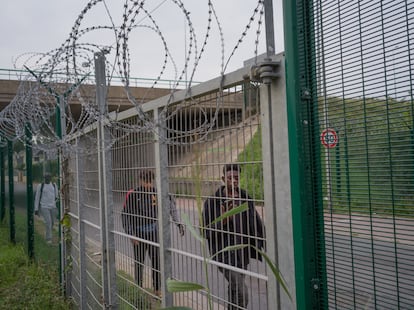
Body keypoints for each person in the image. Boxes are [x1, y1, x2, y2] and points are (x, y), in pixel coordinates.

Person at [202, 163, 265, 310]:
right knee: (242, 293)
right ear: (223, 179)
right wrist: (222, 221)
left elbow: (256, 222)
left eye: (236, 178)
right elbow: (205, 231)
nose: (234, 181)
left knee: (234, 288)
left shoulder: (245, 198)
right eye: (230, 178)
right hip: (224, 255)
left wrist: (262, 242)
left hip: (242, 254)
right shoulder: (212, 202)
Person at [121, 169, 185, 297]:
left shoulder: (157, 193)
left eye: (150, 182)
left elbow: (171, 207)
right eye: (145, 182)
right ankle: (138, 287)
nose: (148, 185)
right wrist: (131, 233)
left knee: (156, 261)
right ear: (140, 181)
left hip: (154, 233)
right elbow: (125, 215)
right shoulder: (134, 194)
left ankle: (157, 288)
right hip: (138, 233)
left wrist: (178, 223)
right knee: (139, 261)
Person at [34, 173, 58, 244]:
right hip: (44, 206)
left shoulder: (54, 185)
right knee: (48, 222)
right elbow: (37, 197)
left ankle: (48, 233)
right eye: (45, 177)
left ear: (50, 178)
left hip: (53, 207)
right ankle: (48, 239)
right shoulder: (40, 186)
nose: (46, 179)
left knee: (52, 222)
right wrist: (36, 209)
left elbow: (56, 196)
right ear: (44, 178)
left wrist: (55, 202)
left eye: (48, 177)